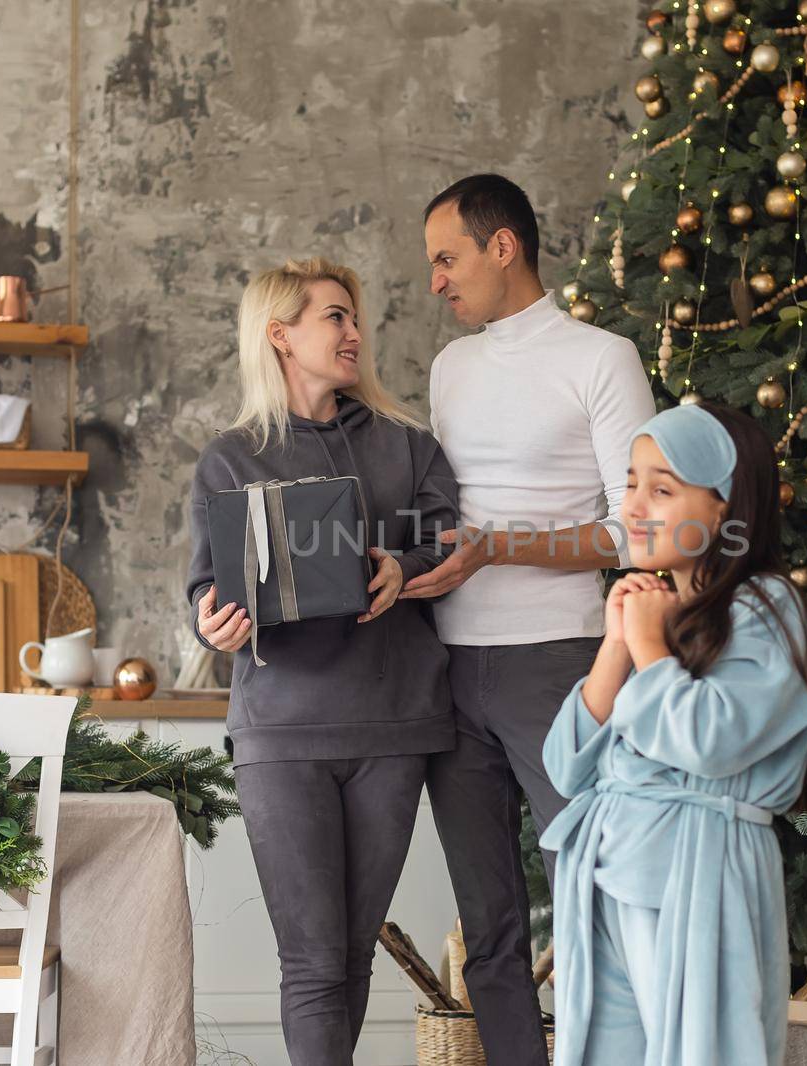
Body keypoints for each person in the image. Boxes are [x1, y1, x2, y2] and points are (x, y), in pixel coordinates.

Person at [403, 173, 657, 1065]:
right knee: (489, 927)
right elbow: (447, 508)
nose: (436, 281)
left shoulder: (601, 358)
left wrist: (498, 546)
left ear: (502, 245)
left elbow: (643, 528)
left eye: (447, 257)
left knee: (594, 899)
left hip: (562, 667)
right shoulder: (452, 367)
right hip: (451, 669)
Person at [184, 257, 460, 1066]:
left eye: (353, 316)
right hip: (282, 734)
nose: (353, 332)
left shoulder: (407, 445)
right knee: (311, 961)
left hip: (392, 725)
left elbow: (449, 537)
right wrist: (215, 625)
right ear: (280, 335)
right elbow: (206, 589)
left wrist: (402, 569)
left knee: (349, 957)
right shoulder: (229, 460)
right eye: (333, 316)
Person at [539, 403, 807, 1066]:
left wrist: (645, 644)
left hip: (701, 873)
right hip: (614, 870)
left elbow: (710, 740)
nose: (634, 505)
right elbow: (566, 768)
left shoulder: (768, 608)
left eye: (662, 489)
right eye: (632, 483)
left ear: (727, 508)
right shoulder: (658, 614)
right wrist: (617, 644)